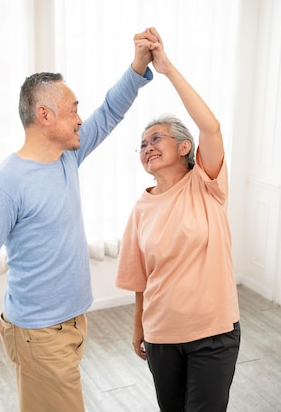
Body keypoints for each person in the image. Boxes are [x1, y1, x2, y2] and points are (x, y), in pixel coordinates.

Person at [0, 28, 158, 411]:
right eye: (73, 110)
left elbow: (110, 110)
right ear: (45, 115)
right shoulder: (6, 185)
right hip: (39, 336)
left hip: (71, 325)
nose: (82, 119)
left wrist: (138, 66)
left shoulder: (67, 157)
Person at [115, 27, 241, 412]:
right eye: (142, 144)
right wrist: (139, 328)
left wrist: (166, 68)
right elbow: (140, 278)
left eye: (157, 139)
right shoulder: (141, 208)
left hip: (213, 333)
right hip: (161, 335)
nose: (147, 147)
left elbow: (211, 127)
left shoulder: (207, 183)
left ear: (184, 147)